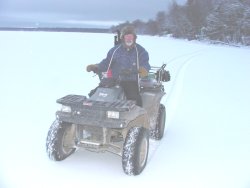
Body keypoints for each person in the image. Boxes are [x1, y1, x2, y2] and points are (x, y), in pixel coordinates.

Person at [86, 25, 151, 106]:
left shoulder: (140, 51)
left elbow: (145, 63)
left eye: (131, 36)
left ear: (134, 38)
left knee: (134, 100)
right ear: (123, 38)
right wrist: (96, 66)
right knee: (96, 94)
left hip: (130, 80)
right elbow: (106, 62)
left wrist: (143, 69)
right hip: (113, 78)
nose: (129, 39)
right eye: (127, 37)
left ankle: (138, 116)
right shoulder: (115, 50)